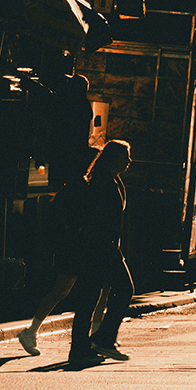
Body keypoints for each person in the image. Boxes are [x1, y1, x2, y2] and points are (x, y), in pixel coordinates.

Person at [66, 140, 134, 368]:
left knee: (89, 299)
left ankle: (82, 347)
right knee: (123, 290)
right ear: (114, 158)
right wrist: (109, 249)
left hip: (103, 249)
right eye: (126, 156)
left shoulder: (111, 180)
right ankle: (102, 339)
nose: (129, 161)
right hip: (100, 250)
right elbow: (98, 220)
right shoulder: (103, 182)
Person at [16, 173, 87, 356]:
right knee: (63, 290)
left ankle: (31, 331)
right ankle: (30, 331)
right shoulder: (78, 187)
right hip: (74, 247)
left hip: (74, 246)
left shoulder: (73, 187)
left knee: (67, 290)